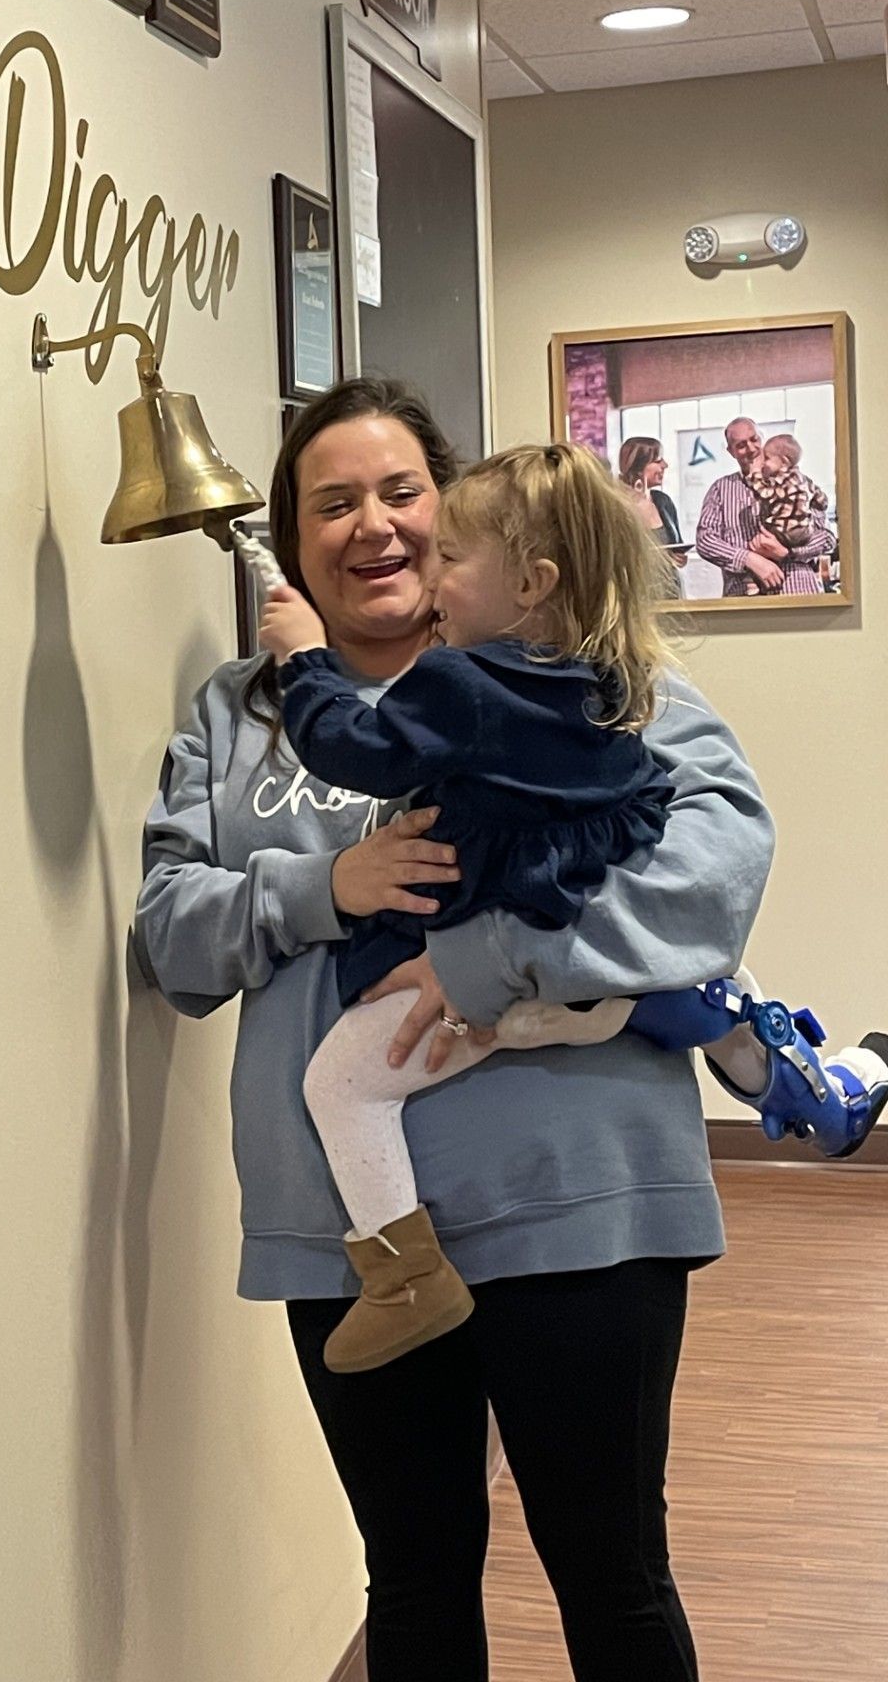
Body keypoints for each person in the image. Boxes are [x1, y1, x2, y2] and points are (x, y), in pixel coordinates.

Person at [135, 376, 771, 1680]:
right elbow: (171, 934)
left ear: (461, 520)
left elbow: (713, 875)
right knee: (414, 1582)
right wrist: (324, 887)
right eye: (331, 503)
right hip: (358, 1250)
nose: (371, 524)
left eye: (400, 491)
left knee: (611, 1572)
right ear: (296, 541)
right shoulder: (237, 716)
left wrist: (488, 957)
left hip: (580, 1208)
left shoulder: (602, 678)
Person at [253, 442, 886, 1375]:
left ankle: (403, 1277)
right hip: (571, 946)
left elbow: (360, 748)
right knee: (690, 985)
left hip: (551, 1094)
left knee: (340, 1084)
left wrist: (304, 662)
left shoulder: (476, 683)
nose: (423, 566)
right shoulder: (602, 683)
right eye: (333, 503)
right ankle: (742, 1035)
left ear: (532, 579)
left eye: (443, 546)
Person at [694, 416, 833, 596]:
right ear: (731, 451)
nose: (751, 449)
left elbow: (828, 537)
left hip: (797, 592)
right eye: (741, 445)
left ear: (762, 438)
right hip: (743, 598)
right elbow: (705, 540)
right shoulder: (720, 489)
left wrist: (787, 552)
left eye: (754, 440)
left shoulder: (798, 483)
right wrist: (749, 559)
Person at [741, 433, 833, 593]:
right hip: (804, 532)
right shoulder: (805, 480)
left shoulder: (781, 480)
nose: (763, 463)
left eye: (767, 459)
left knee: (760, 541)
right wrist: (818, 503)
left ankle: (753, 583)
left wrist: (754, 474)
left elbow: (765, 493)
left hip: (785, 531)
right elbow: (821, 499)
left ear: (784, 462)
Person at [618, 435, 686, 595]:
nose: (665, 465)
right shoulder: (617, 506)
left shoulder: (663, 502)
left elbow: (676, 545)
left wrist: (679, 558)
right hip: (635, 597)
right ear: (638, 465)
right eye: (658, 461)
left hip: (670, 594)